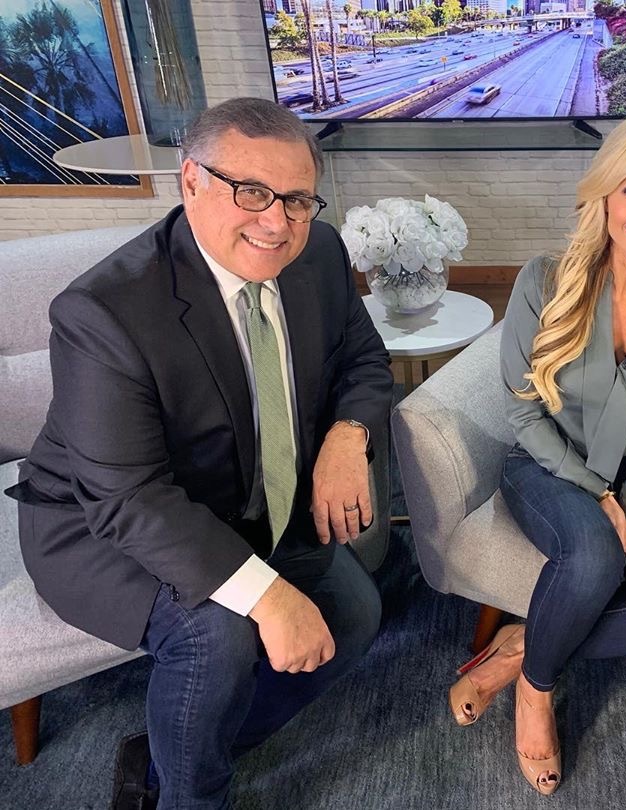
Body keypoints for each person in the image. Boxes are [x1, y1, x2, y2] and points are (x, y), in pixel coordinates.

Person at [6, 97, 393, 809]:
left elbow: (364, 359)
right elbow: (127, 498)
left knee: (354, 616)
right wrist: (268, 596)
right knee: (218, 635)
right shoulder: (105, 311)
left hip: (242, 500)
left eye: (298, 199)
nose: (278, 223)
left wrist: (348, 435)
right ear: (191, 181)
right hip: (97, 525)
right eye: (252, 192)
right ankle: (191, 795)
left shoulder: (320, 253)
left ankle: (171, 756)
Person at [446, 107, 626, 795]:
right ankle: (537, 691)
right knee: (596, 554)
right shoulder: (544, 278)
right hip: (549, 463)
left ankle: (518, 649)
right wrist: (596, 494)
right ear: (604, 191)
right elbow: (522, 410)